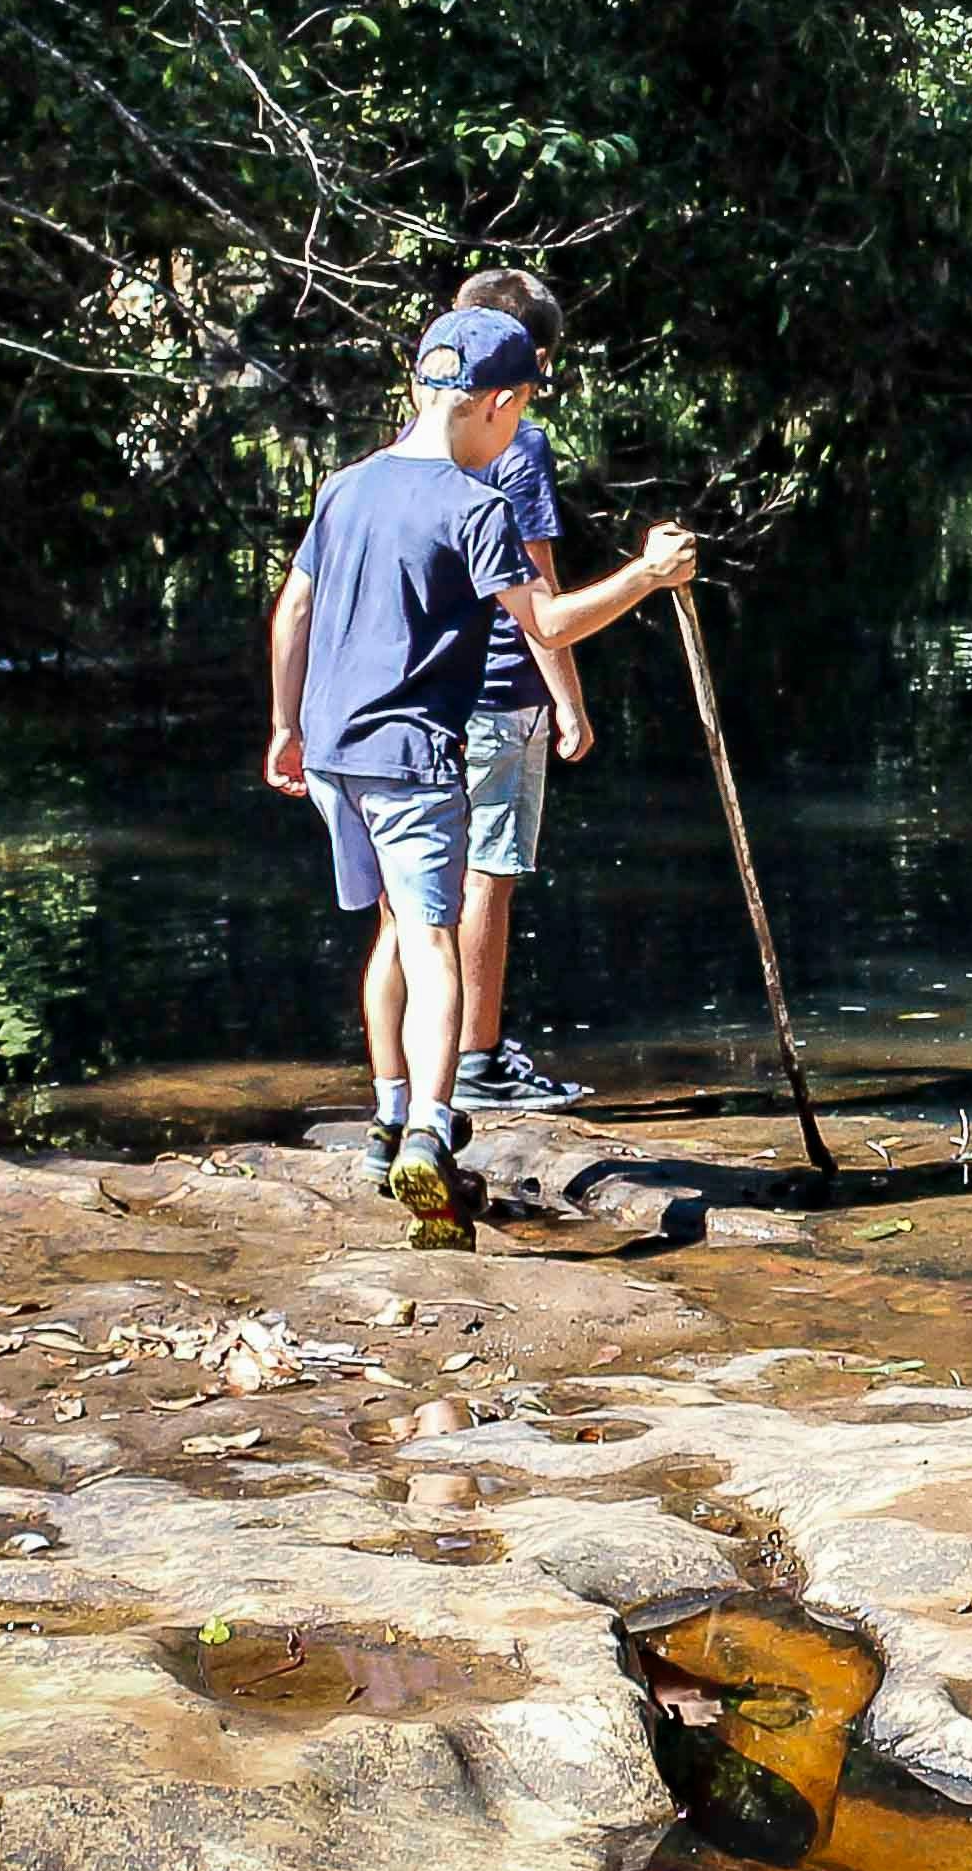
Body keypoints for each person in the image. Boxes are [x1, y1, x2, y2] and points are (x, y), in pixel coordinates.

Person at [266, 307, 696, 1241]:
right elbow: (544, 623)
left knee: (386, 932)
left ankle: (385, 1118)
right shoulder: (476, 506)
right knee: (435, 941)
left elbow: (293, 609)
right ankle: (429, 1129)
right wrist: (647, 576)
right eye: (521, 409)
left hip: (335, 750)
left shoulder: (346, 486)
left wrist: (284, 724)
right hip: (414, 753)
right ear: (498, 404)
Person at [448, 265, 591, 1113]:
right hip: (501, 689)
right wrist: (568, 703)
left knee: (422, 888)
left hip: (425, 693)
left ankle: (415, 1072)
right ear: (531, 360)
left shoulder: (420, 432)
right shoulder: (518, 443)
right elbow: (540, 596)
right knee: (489, 875)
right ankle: (480, 1058)